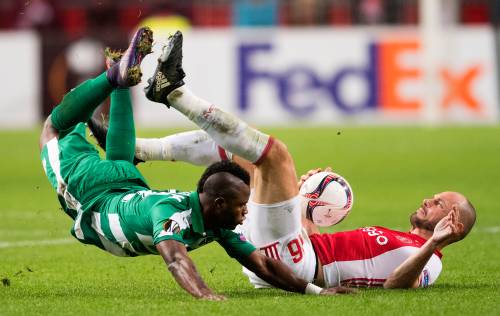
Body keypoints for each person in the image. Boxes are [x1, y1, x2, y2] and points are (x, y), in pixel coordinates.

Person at [89, 30, 476, 290]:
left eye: (440, 204)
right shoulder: (399, 237)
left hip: (298, 265)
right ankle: (142, 150)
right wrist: (304, 207)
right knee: (246, 158)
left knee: (276, 155)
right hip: (294, 255)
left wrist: (432, 245)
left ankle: (173, 93)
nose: (430, 201)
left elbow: (397, 286)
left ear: (451, 224)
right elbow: (324, 250)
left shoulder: (430, 261)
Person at [39, 27, 352, 300]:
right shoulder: (171, 215)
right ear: (217, 203)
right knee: (54, 128)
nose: (247, 211)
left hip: (124, 182)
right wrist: (204, 294)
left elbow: (263, 264)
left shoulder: (215, 223)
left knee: (118, 157)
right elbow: (175, 259)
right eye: (242, 205)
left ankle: (120, 80)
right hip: (91, 194)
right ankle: (114, 77)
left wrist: (318, 292)